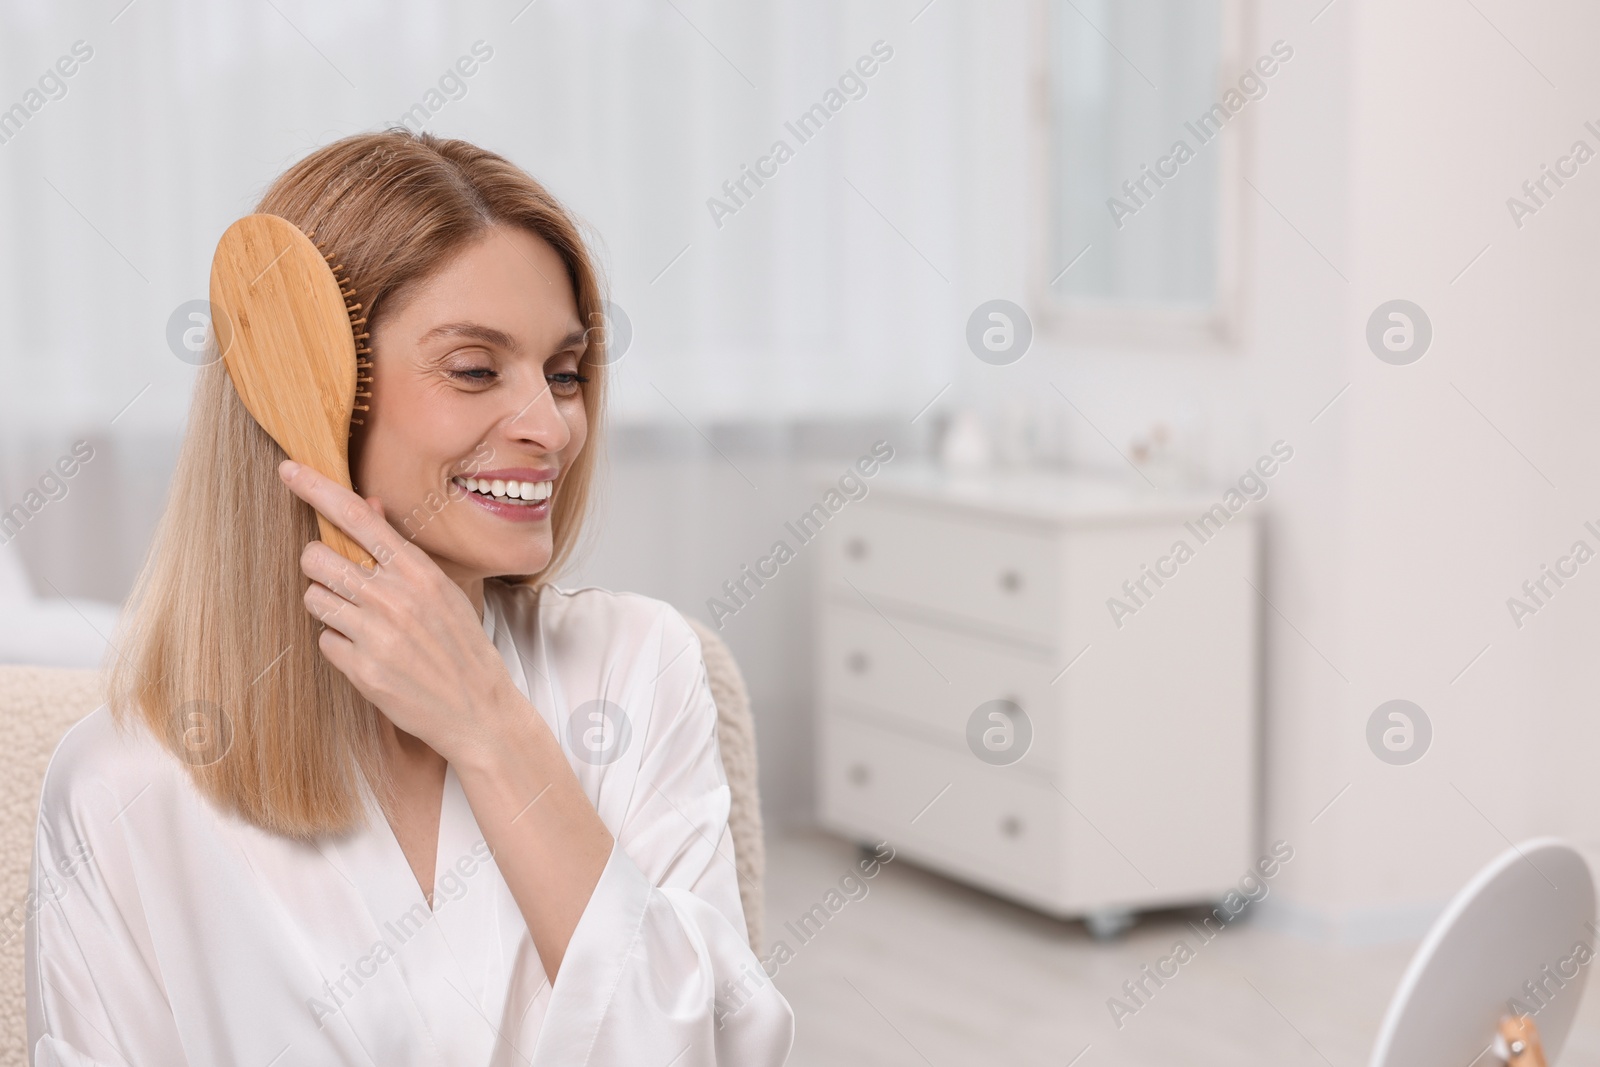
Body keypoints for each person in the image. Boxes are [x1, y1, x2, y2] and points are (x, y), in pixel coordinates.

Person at [24, 128, 794, 1066]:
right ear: (307, 394)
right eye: (474, 369)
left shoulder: (639, 667)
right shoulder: (124, 783)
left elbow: (717, 1052)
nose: (551, 426)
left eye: (563, 372)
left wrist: (490, 727)